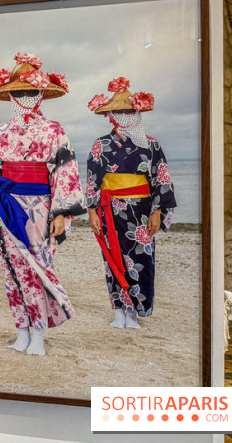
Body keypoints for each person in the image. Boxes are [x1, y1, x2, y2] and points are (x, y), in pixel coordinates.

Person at [0, 53, 85, 356]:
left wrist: (62, 212)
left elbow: (65, 172)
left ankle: (39, 332)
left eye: (31, 91)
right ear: (10, 95)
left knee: (38, 266)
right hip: (6, 204)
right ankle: (21, 330)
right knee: (11, 268)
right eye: (19, 92)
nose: (25, 96)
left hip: (40, 208)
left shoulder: (54, 130)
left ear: (41, 94)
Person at [86, 77, 176, 329]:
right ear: (111, 114)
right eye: (119, 111)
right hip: (109, 210)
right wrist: (92, 211)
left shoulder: (151, 145)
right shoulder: (100, 145)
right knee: (113, 258)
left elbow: (161, 177)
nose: (124, 115)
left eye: (128, 110)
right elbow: (93, 180)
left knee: (142, 259)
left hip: (141, 211)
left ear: (136, 112)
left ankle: (135, 311)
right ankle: (118, 309)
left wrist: (157, 210)